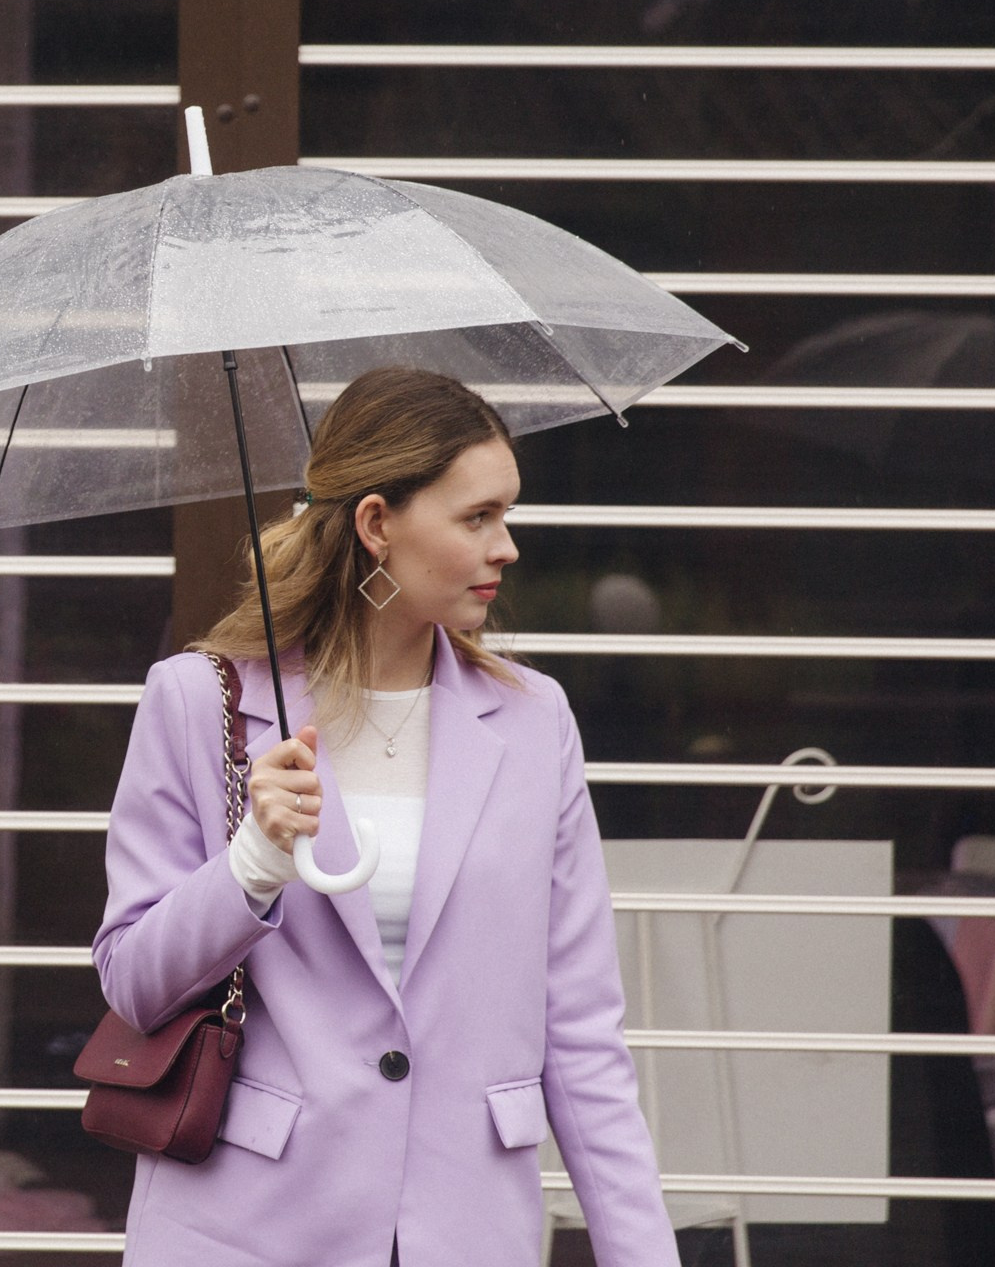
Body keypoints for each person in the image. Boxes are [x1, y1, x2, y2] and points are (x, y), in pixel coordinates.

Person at [93, 368, 674, 1267]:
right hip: (250, 1229)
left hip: (466, 1230)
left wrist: (642, 1254)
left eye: (506, 514)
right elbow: (132, 980)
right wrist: (252, 863)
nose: (507, 546)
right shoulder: (198, 702)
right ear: (376, 524)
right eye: (476, 517)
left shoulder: (532, 720)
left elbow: (582, 1030)